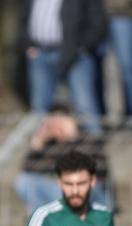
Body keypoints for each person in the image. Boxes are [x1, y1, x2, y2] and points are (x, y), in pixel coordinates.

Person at [18, 0, 107, 132]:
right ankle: (39, 146)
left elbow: (98, 23)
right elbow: (23, 18)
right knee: (39, 106)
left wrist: (81, 48)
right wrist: (28, 45)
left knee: (84, 104)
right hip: (39, 54)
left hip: (76, 56)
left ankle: (94, 144)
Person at [13, 104, 112, 215]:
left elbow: (96, 168)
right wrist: (37, 146)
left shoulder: (87, 138)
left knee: (64, 186)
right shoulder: (48, 143)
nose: (57, 125)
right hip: (58, 189)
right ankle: (42, 220)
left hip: (92, 192)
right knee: (24, 181)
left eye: (60, 120)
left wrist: (71, 138)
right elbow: (28, 169)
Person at [94, 0, 132, 120]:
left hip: (124, 13)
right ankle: (99, 116)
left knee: (127, 66)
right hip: (95, 12)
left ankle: (130, 115)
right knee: (95, 65)